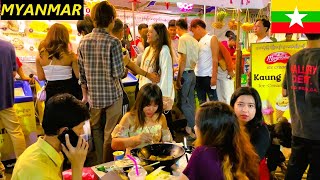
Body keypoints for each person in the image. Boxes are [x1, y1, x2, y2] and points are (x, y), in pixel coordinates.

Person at [78, 1, 125, 163]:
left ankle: (99, 161)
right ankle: (108, 163)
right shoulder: (114, 42)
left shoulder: (83, 41)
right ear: (112, 19)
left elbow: (82, 74)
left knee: (96, 128)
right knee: (110, 132)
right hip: (113, 94)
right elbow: (119, 73)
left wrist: (85, 93)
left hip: (94, 95)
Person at [12, 94, 89, 180]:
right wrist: (77, 166)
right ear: (64, 132)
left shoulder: (49, 151)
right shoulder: (40, 173)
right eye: (80, 127)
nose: (82, 132)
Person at [180, 101, 259, 180]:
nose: (194, 127)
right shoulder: (240, 152)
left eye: (197, 124)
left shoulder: (202, 153)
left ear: (208, 131)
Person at [282, 33, 320, 180]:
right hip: (317, 131)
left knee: (294, 171)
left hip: (298, 128)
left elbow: (284, 91)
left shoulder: (293, 58)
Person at [111, 83, 172, 152]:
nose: (151, 110)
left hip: (155, 157)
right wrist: (135, 139)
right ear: (140, 103)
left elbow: (168, 142)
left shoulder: (161, 118)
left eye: (155, 106)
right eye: (148, 105)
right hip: (134, 159)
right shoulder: (129, 117)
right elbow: (114, 144)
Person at [139, 22, 175, 137]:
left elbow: (167, 77)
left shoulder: (164, 51)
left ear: (158, 35)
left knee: (162, 126)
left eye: (150, 32)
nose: (147, 34)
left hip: (157, 98)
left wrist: (163, 99)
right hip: (146, 95)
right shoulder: (147, 49)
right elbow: (143, 72)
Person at [230, 87, 271, 180]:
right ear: (233, 106)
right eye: (240, 104)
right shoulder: (228, 126)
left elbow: (252, 161)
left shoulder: (261, 130)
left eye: (250, 106)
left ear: (257, 108)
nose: (245, 110)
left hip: (254, 175)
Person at [0, 38, 26, 177]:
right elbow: (13, 72)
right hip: (5, 97)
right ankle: (22, 164)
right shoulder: (8, 46)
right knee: (15, 131)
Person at [36, 23, 81, 102]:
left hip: (51, 91)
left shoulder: (40, 56)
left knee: (52, 112)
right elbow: (78, 76)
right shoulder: (71, 55)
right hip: (68, 91)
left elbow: (41, 77)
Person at [175, 19, 199, 139]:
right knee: (191, 102)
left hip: (185, 74)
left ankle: (196, 128)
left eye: (176, 30)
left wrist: (179, 77)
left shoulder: (182, 39)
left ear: (179, 28)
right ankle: (191, 129)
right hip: (192, 73)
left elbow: (182, 59)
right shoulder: (194, 40)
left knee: (183, 103)